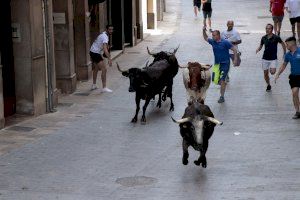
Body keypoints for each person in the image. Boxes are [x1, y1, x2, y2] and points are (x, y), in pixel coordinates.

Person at [203, 28, 238, 103]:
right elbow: (205, 38)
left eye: (214, 35)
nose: (213, 37)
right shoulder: (213, 42)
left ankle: (222, 96)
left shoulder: (225, 42)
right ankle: (223, 83)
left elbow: (234, 49)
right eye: (212, 35)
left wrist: (235, 59)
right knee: (214, 80)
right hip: (217, 64)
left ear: (218, 35)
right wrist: (203, 31)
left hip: (225, 64)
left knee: (222, 80)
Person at [256, 24, 286, 92]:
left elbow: (283, 44)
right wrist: (258, 49)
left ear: (272, 30)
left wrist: (284, 53)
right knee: (265, 74)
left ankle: (271, 69)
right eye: (266, 28)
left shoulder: (276, 37)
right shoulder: (263, 37)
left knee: (272, 72)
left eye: (269, 28)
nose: (267, 30)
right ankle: (268, 85)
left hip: (273, 58)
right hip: (265, 58)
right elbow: (261, 45)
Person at [275, 37, 300, 119]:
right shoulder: (287, 55)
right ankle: (297, 111)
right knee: (294, 93)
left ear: (292, 43)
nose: (286, 46)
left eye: (287, 44)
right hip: (294, 76)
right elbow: (284, 65)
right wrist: (278, 74)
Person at [90, 25, 113, 92]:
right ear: (106, 29)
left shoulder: (104, 34)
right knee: (104, 69)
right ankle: (104, 87)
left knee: (96, 68)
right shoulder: (105, 37)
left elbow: (103, 46)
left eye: (112, 29)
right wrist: (109, 59)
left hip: (92, 51)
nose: (111, 31)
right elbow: (105, 50)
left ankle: (94, 85)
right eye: (109, 29)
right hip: (95, 53)